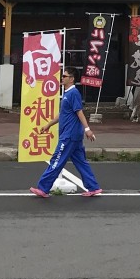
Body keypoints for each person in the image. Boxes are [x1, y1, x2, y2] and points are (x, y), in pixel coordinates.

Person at [30, 67, 103, 198]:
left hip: (69, 135)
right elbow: (63, 114)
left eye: (64, 76)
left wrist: (87, 129)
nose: (62, 78)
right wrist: (48, 125)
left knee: (57, 159)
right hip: (72, 135)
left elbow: (79, 112)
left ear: (72, 79)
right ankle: (93, 187)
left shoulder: (73, 93)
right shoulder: (67, 93)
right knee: (81, 162)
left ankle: (43, 188)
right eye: (62, 76)